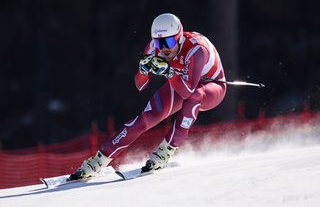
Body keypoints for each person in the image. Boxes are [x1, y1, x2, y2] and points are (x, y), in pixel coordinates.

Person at [70, 13, 226, 179]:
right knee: (147, 118)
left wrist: (168, 72)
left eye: (169, 41)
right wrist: (144, 71)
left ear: (179, 38)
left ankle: (167, 149)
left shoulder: (197, 49)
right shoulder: (153, 48)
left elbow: (188, 92)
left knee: (195, 95)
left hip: (211, 87)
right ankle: (99, 160)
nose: (164, 48)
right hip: (181, 82)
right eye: (159, 42)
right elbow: (140, 85)